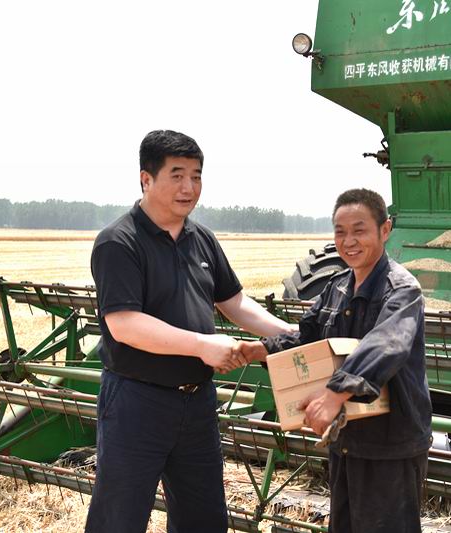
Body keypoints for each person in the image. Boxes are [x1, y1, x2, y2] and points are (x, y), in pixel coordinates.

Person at [85, 130, 294, 533]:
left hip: (197, 404)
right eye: (177, 175)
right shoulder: (119, 242)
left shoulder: (202, 239)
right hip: (137, 403)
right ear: (146, 179)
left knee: (204, 520)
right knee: (120, 519)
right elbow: (124, 324)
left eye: (196, 176)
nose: (189, 188)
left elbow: (234, 303)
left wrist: (289, 335)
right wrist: (201, 345)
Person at [238, 188, 433, 533]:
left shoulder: (402, 289)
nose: (348, 241)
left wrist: (334, 393)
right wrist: (263, 349)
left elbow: (386, 344)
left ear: (385, 230)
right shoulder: (338, 286)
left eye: (359, 230)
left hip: (390, 444)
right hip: (346, 439)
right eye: (340, 232)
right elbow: (308, 336)